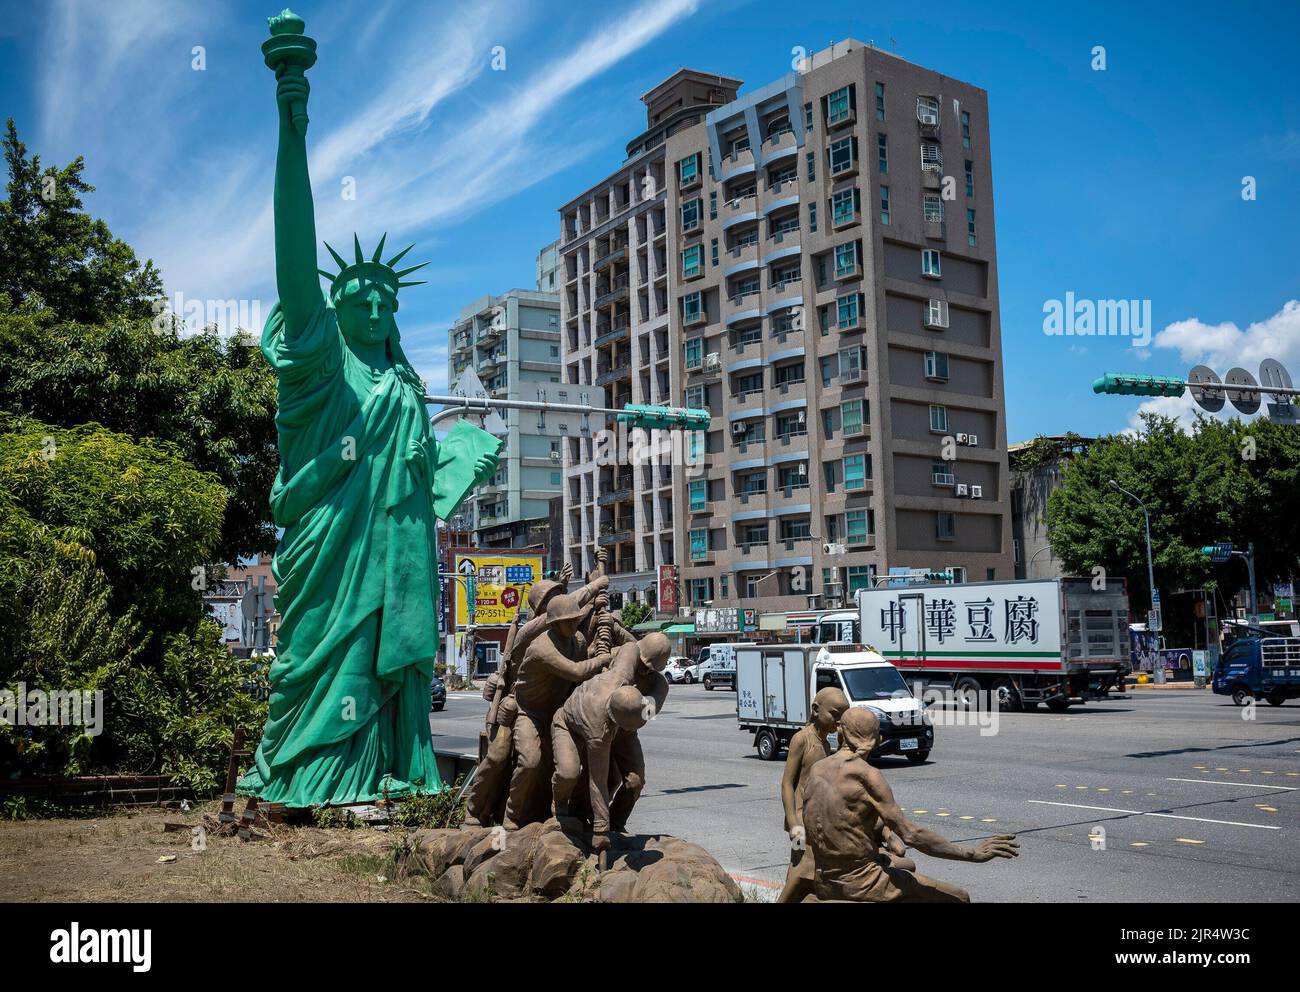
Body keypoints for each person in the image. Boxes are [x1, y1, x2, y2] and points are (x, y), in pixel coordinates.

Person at [238, 48, 499, 806]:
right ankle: (321, 777)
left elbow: (416, 486)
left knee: (397, 663)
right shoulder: (323, 368)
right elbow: (294, 258)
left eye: (387, 300)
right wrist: (293, 130)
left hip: (400, 559)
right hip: (336, 557)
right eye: (359, 296)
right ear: (336, 307)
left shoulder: (405, 388)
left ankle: (391, 769)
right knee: (331, 657)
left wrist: (457, 460)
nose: (377, 308)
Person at [802, 708, 1019, 902]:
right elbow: (911, 835)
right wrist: (971, 853)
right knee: (959, 897)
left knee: (902, 865)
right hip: (862, 884)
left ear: (841, 733)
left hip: (825, 882)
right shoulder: (867, 775)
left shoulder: (817, 770)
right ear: (877, 739)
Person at [550, 633, 670, 849]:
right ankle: (564, 811)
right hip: (587, 721)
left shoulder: (659, 685)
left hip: (626, 721)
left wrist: (635, 709)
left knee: (634, 781)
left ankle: (616, 825)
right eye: (642, 664)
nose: (643, 670)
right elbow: (598, 778)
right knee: (574, 773)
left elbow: (650, 710)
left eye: (649, 668)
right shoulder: (629, 654)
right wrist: (600, 828)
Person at [503, 593, 611, 828]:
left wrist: (601, 646)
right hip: (529, 711)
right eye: (567, 621)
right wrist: (604, 658)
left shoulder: (578, 641)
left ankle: (569, 809)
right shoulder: (542, 647)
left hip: (558, 711)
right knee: (530, 761)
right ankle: (512, 813)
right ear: (553, 623)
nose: (573, 625)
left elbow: (585, 669)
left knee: (578, 766)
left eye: (575, 620)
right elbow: (577, 671)